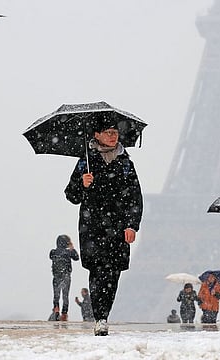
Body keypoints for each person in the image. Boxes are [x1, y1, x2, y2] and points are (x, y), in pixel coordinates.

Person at [65, 120, 143, 336]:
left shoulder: (126, 163)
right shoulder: (85, 162)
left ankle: (103, 314)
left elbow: (135, 197)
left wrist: (132, 225)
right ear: (97, 135)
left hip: (118, 227)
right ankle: (101, 317)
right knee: (98, 272)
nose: (113, 136)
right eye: (108, 132)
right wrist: (82, 184)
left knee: (113, 273)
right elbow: (71, 196)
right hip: (93, 227)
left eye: (116, 132)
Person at [49, 234, 79, 321]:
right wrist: (71, 248)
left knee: (56, 295)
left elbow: (50, 257)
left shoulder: (53, 252)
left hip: (56, 276)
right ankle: (64, 314)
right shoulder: (68, 252)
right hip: (66, 276)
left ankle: (56, 310)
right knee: (65, 296)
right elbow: (76, 258)